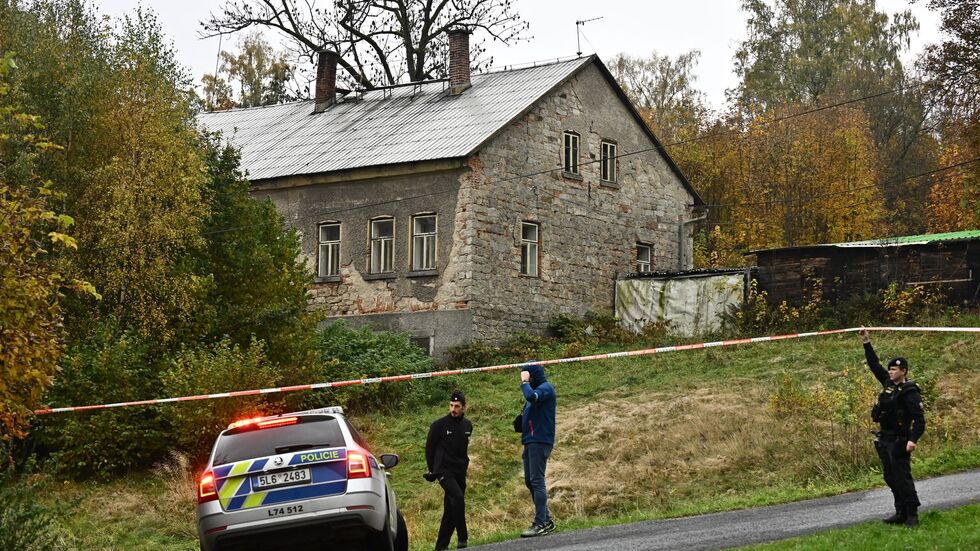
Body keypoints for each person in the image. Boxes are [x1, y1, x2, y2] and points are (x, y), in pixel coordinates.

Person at [858, 327, 926, 527]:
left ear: (903, 370)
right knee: (890, 477)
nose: (890, 372)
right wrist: (866, 342)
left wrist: (913, 440)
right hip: (884, 438)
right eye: (890, 369)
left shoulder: (910, 392)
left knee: (902, 477)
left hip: (900, 440)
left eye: (894, 369)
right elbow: (874, 365)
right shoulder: (887, 383)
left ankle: (912, 514)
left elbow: (919, 419)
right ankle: (900, 512)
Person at [425, 391, 472, 550]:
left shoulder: (467, 426)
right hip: (444, 470)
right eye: (451, 405)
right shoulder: (439, 425)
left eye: (457, 406)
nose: (453, 409)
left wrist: (465, 466)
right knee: (457, 498)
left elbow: (463, 449)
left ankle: (441, 546)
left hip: (460, 471)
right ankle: (463, 537)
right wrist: (432, 470)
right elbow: (429, 448)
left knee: (451, 509)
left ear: (463, 407)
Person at [518, 363, 557, 537]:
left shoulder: (545, 388)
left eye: (527, 376)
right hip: (530, 441)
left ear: (532, 376)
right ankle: (546, 519)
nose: (525, 379)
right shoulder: (538, 389)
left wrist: (524, 383)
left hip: (540, 440)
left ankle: (540, 523)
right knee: (529, 481)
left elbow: (532, 397)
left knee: (536, 480)